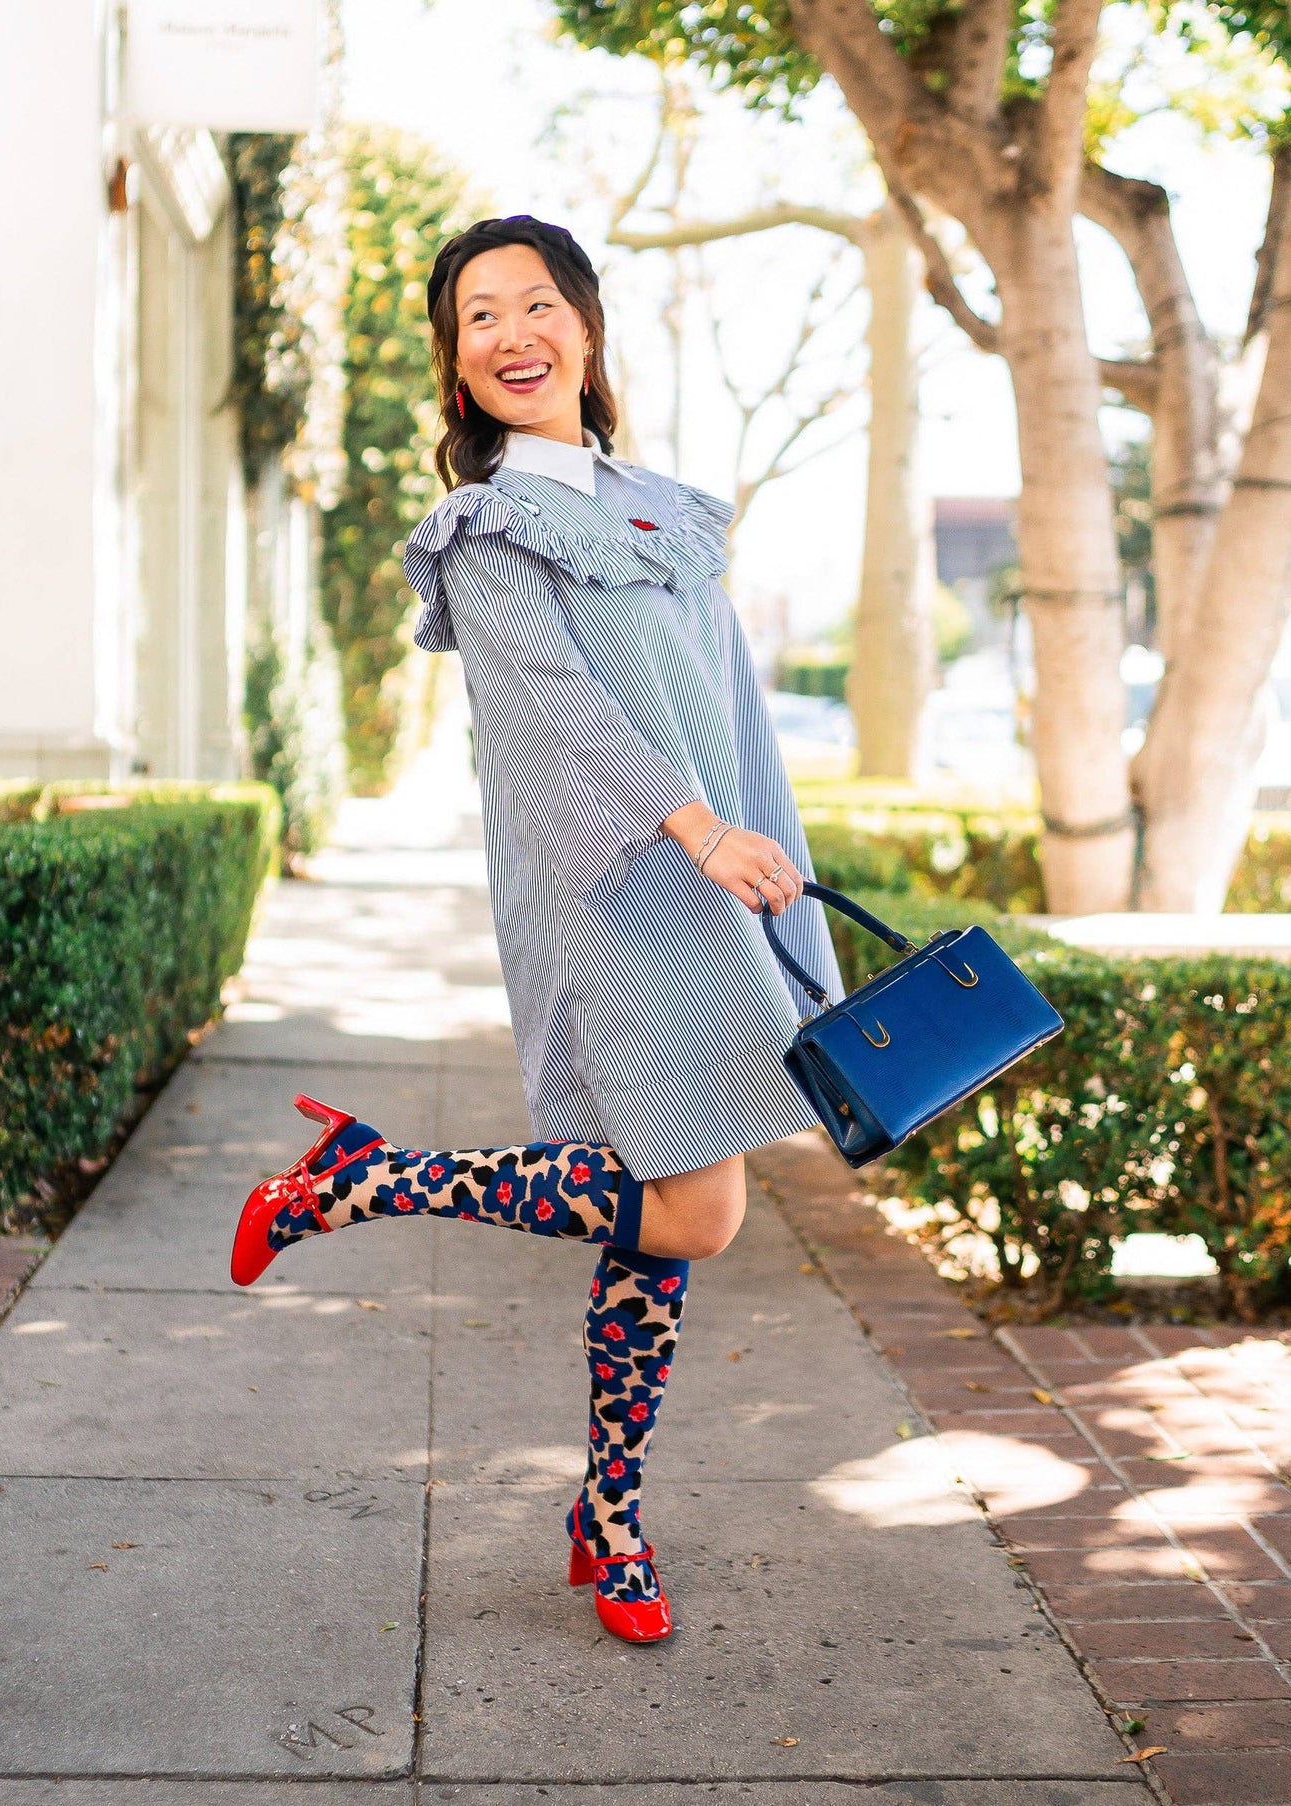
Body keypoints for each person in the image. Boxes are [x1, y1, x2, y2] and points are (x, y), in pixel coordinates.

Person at [231, 215, 842, 1644]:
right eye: (477, 319)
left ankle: (608, 1516)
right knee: (698, 1203)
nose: (512, 335)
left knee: (665, 1223)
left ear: (584, 325)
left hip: (718, 881)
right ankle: (364, 1180)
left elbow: (731, 715)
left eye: (534, 304)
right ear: (455, 369)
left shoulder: (671, 511)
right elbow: (565, 719)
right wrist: (700, 834)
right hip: (618, 890)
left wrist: (770, 860)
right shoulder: (485, 531)